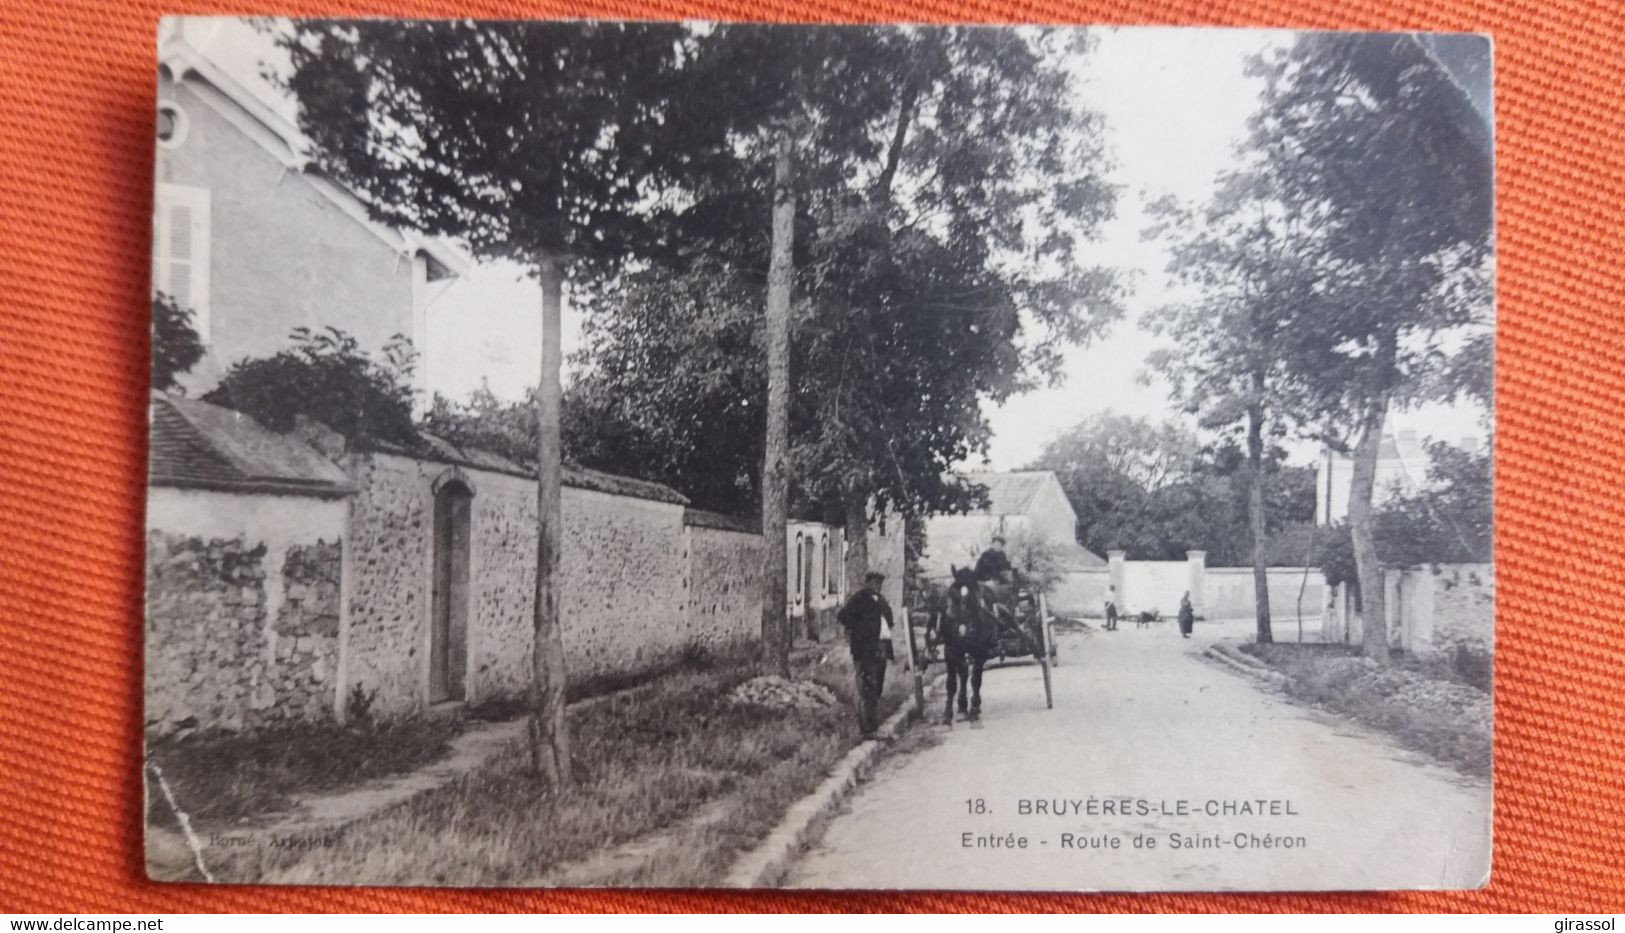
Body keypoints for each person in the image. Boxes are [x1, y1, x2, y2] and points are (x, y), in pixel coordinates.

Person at [837, 570, 894, 740]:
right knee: (867, 688)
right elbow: (843, 616)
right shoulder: (859, 599)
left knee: (876, 688)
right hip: (865, 650)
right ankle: (867, 729)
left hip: (881, 649)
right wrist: (859, 631)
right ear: (867, 582)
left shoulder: (881, 600)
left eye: (880, 583)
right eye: (875, 582)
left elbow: (889, 620)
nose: (878, 585)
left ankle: (873, 724)